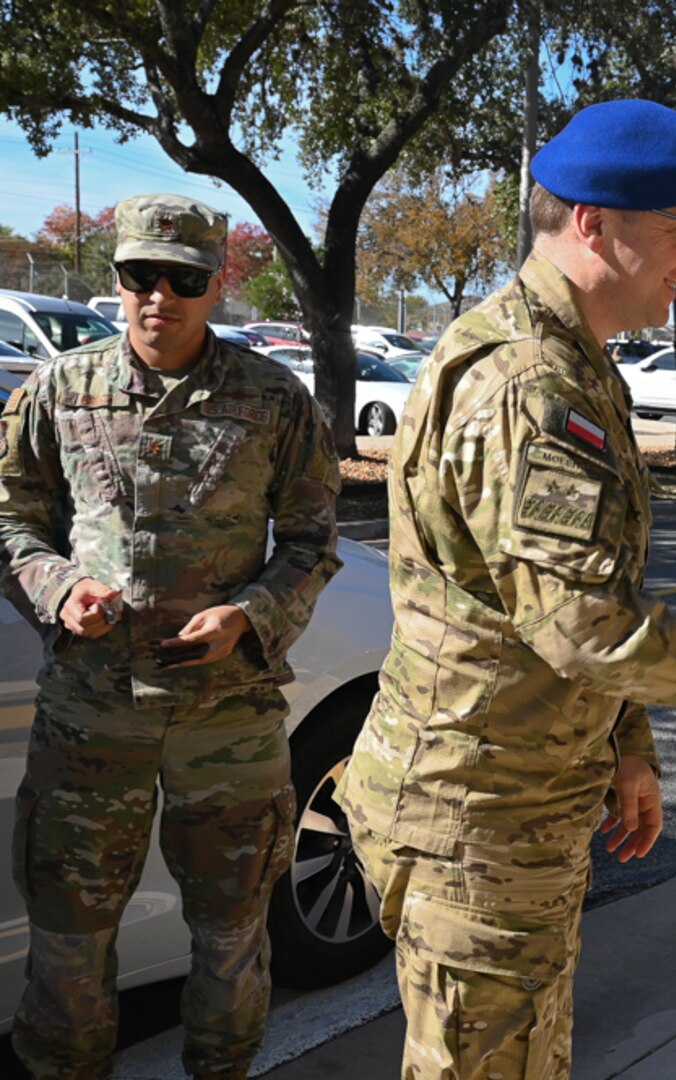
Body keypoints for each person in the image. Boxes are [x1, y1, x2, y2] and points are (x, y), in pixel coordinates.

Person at [338, 98, 676, 1080]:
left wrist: (628, 745)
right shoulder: (529, 381)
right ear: (592, 225)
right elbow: (582, 623)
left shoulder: (574, 366)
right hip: (475, 821)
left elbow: (570, 595)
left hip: (520, 808)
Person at [0, 194, 341, 1079]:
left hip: (227, 722)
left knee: (231, 940)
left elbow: (311, 540)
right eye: (139, 275)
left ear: (216, 283)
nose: (160, 296)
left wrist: (252, 616)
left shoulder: (274, 400)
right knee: (69, 944)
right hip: (90, 718)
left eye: (183, 278)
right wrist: (60, 586)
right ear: (116, 279)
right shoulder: (60, 390)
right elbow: (13, 522)